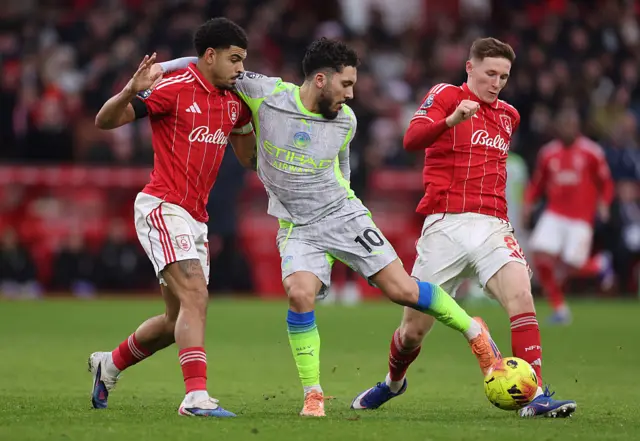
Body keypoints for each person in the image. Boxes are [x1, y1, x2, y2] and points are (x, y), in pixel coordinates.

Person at [158, 38, 501, 418]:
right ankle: (314, 393)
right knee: (299, 294)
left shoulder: (346, 122)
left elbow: (344, 171)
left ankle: (475, 332)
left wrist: (347, 212)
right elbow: (209, 62)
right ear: (320, 79)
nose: (351, 95)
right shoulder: (266, 93)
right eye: (346, 84)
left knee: (402, 290)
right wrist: (159, 71)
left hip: (342, 215)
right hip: (297, 225)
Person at [350, 37, 577, 418]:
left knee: (522, 296)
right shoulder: (444, 95)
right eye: (490, 73)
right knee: (412, 332)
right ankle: (393, 382)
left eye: (504, 76)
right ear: (469, 68)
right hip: (445, 224)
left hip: (492, 224)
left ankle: (535, 394)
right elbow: (410, 141)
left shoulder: (510, 115)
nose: (497, 83)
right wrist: (451, 120)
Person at [89, 18, 256, 418]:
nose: (240, 69)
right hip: (163, 207)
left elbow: (248, 159)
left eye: (243, 61)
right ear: (209, 55)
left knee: (175, 319)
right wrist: (130, 89)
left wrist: (261, 123)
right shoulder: (174, 89)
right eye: (234, 60)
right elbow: (105, 121)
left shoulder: (234, 102)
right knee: (196, 295)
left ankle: (108, 364)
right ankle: (195, 397)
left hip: (196, 217)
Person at [524, 108, 614, 324]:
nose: (567, 129)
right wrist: (528, 203)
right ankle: (560, 309)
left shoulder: (592, 152)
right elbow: (538, 183)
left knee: (572, 264)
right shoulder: (548, 153)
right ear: (558, 128)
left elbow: (606, 183)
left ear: (578, 127)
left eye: (571, 125)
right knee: (538, 253)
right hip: (554, 213)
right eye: (563, 125)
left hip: (581, 218)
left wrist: (605, 203)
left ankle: (601, 264)